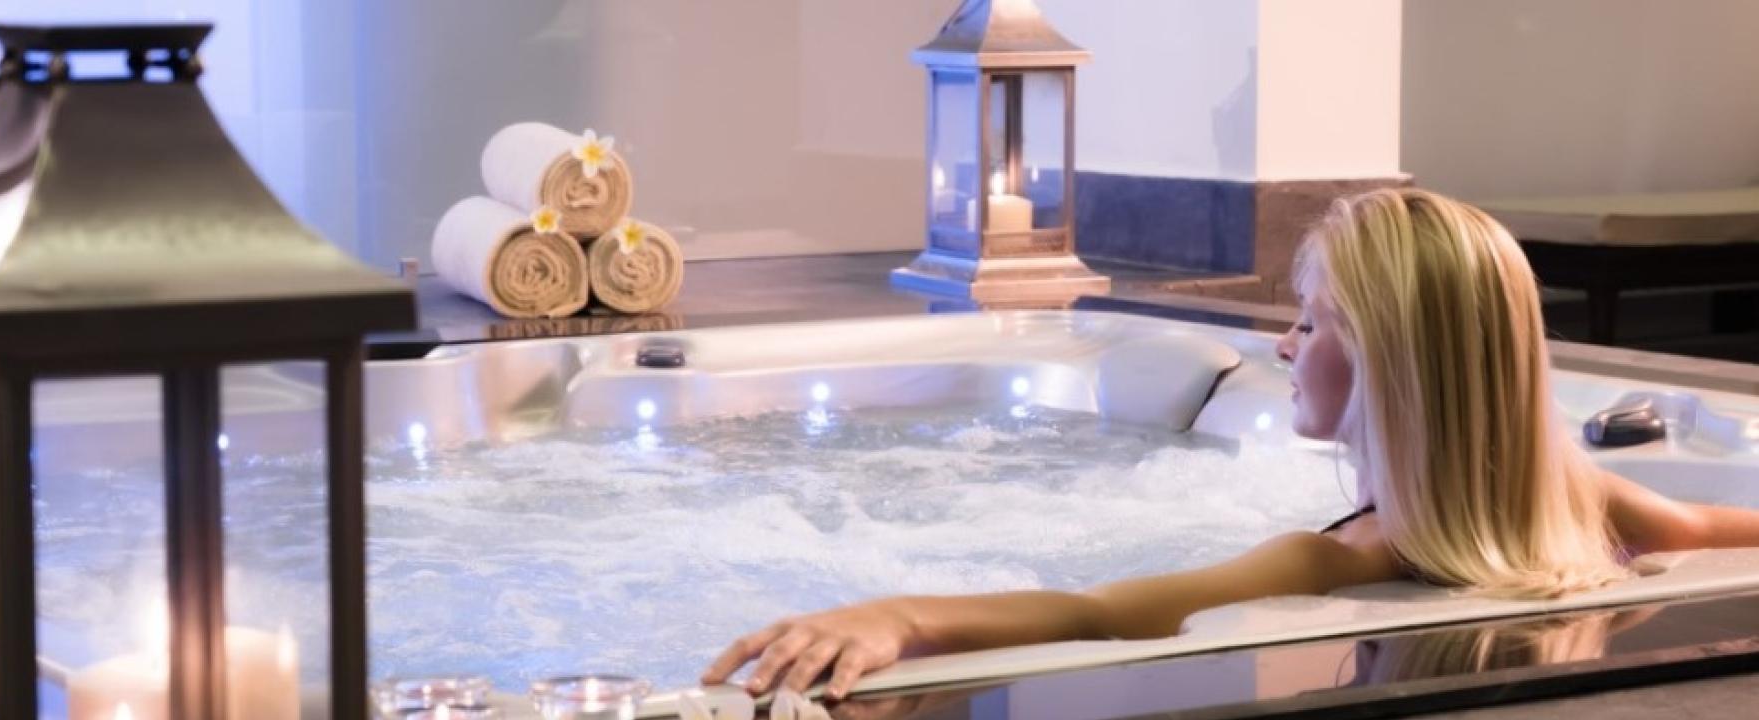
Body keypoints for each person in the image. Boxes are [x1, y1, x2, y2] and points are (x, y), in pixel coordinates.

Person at [700, 188, 1759, 700]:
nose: (1284, 347)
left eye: (1310, 323)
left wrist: (899, 614)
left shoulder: (1343, 557)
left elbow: (1104, 613)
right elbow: (1728, 525)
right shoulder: (1581, 500)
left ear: (1389, 361)